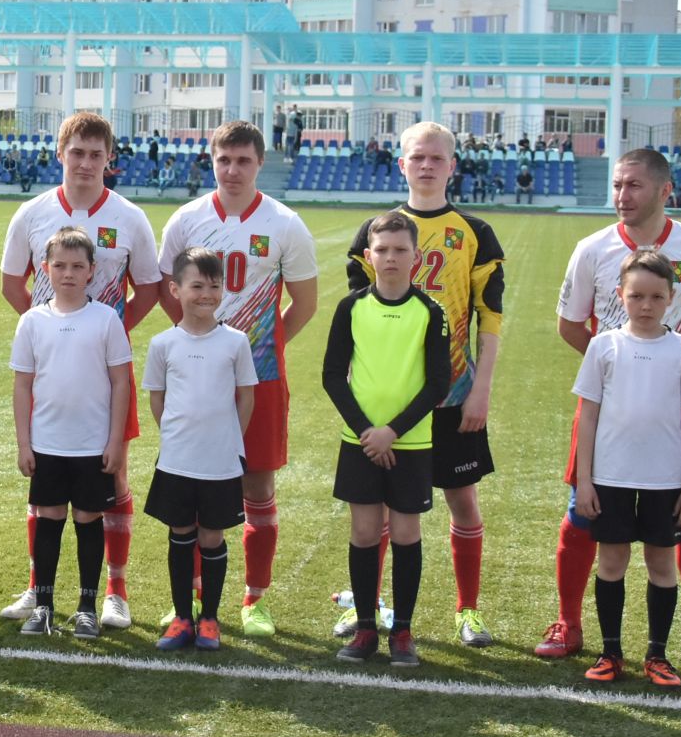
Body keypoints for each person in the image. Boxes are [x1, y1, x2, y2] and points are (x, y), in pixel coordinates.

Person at [544, 148, 681, 670]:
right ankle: (569, 624)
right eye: (616, 186)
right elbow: (569, 326)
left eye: (632, 186)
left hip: (676, 414)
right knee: (581, 515)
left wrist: (677, 369)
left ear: (664, 189)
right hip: (607, 408)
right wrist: (618, 367)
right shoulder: (592, 249)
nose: (621, 196)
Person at [339, 122, 505, 646]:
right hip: (389, 397)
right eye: (417, 157)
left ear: (452, 165)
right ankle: (373, 606)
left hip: (454, 392)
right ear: (402, 163)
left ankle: (468, 610)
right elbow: (357, 321)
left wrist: (481, 390)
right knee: (381, 510)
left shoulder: (475, 232)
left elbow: (490, 318)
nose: (427, 165)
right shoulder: (376, 230)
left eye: (437, 157)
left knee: (462, 499)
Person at [0, 112, 161, 629]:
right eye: (77, 152)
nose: (86, 163)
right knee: (45, 484)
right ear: (60, 153)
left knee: (113, 478)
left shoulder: (131, 216)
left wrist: (104, 334)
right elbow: (11, 285)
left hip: (106, 377)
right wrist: (48, 335)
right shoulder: (31, 213)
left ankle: (114, 591)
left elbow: (150, 289)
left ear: (108, 158)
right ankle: (37, 589)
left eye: (96, 154)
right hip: (51, 376)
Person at [156, 120, 318, 637]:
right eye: (224, 160)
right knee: (196, 482)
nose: (232, 170)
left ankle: (256, 598)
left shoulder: (285, 223)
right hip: (197, 379)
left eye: (243, 161)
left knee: (257, 485)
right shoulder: (186, 219)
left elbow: (305, 302)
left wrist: (254, 353)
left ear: (259, 163)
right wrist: (200, 346)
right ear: (211, 160)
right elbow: (168, 290)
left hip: (262, 378)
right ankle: (197, 599)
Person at [571, 249, 681, 688]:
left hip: (665, 480)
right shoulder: (603, 346)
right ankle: (610, 651)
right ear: (620, 296)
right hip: (609, 478)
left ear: (671, 297)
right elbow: (587, 416)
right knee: (611, 562)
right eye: (636, 296)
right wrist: (585, 480)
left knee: (661, 565)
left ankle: (657, 655)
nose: (645, 306)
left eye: (655, 296)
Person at [322, 211, 452, 666]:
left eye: (400, 250)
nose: (391, 257)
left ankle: (402, 631)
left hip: (410, 444)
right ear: (369, 256)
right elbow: (333, 376)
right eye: (383, 250)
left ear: (416, 257)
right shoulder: (351, 307)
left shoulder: (430, 313)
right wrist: (365, 432)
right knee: (363, 531)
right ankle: (364, 628)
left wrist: (392, 432)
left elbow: (439, 383)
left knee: (404, 531)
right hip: (359, 442)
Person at [8, 228, 133, 639]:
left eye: (77, 265)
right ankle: (43, 606)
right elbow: (23, 384)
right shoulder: (32, 321)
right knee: (49, 518)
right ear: (45, 269)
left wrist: (114, 441)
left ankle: (86, 607)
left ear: (92, 271)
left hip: (91, 445)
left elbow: (121, 383)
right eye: (59, 265)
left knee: (87, 518)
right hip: (47, 443)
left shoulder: (106, 320)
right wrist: (24, 443)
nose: (68, 273)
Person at [143, 247, 258, 651]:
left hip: (219, 461)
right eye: (196, 285)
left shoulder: (235, 342)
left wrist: (229, 437)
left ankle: (209, 618)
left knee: (211, 536)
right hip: (177, 458)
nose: (206, 294)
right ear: (175, 289)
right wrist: (175, 433)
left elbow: (246, 397)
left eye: (214, 286)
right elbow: (157, 400)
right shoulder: (162, 344)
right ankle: (181, 618)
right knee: (180, 532)